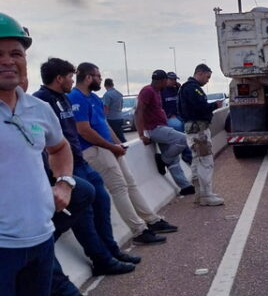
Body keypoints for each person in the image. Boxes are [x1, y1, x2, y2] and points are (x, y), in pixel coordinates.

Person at [34, 58, 138, 277]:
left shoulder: (63, 99)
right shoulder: (40, 102)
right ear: (59, 78)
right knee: (85, 214)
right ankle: (101, 260)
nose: (73, 81)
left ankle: (111, 251)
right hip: (66, 169)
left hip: (80, 161)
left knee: (102, 202)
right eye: (70, 77)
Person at [0, 12, 73, 296]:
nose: (7, 60)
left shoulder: (39, 109)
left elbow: (60, 147)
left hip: (41, 241)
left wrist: (65, 182)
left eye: (16, 53)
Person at [68, 62, 175, 245]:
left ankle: (152, 220)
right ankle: (138, 230)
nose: (101, 79)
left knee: (130, 183)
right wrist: (111, 147)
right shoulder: (75, 98)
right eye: (97, 76)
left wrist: (119, 144)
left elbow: (104, 124)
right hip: (93, 150)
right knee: (119, 187)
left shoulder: (94, 98)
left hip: (109, 147)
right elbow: (83, 130)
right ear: (87, 78)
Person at [136, 70, 194, 195]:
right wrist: (141, 134)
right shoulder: (148, 91)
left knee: (173, 160)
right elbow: (139, 111)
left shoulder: (157, 91)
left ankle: (185, 186)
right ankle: (163, 160)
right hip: (154, 128)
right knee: (183, 139)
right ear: (163, 81)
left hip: (162, 126)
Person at [177, 64, 224, 206]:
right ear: (200, 73)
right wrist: (215, 105)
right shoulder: (193, 88)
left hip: (193, 129)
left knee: (197, 162)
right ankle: (206, 195)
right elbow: (201, 107)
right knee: (206, 161)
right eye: (207, 77)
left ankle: (200, 193)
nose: (208, 80)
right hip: (199, 130)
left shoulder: (186, 88)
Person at [162, 71, 192, 164]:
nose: (173, 81)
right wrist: (169, 115)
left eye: (175, 79)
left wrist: (180, 88)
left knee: (189, 126)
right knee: (178, 127)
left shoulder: (177, 90)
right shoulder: (162, 91)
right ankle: (187, 155)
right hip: (168, 117)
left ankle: (191, 152)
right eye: (171, 79)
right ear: (166, 80)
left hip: (179, 115)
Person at [102, 78, 127, 143]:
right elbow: (121, 106)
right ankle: (125, 147)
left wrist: (103, 118)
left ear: (105, 85)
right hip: (120, 117)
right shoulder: (119, 94)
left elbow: (106, 107)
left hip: (111, 118)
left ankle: (124, 149)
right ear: (112, 84)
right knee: (120, 135)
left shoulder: (107, 95)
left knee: (114, 138)